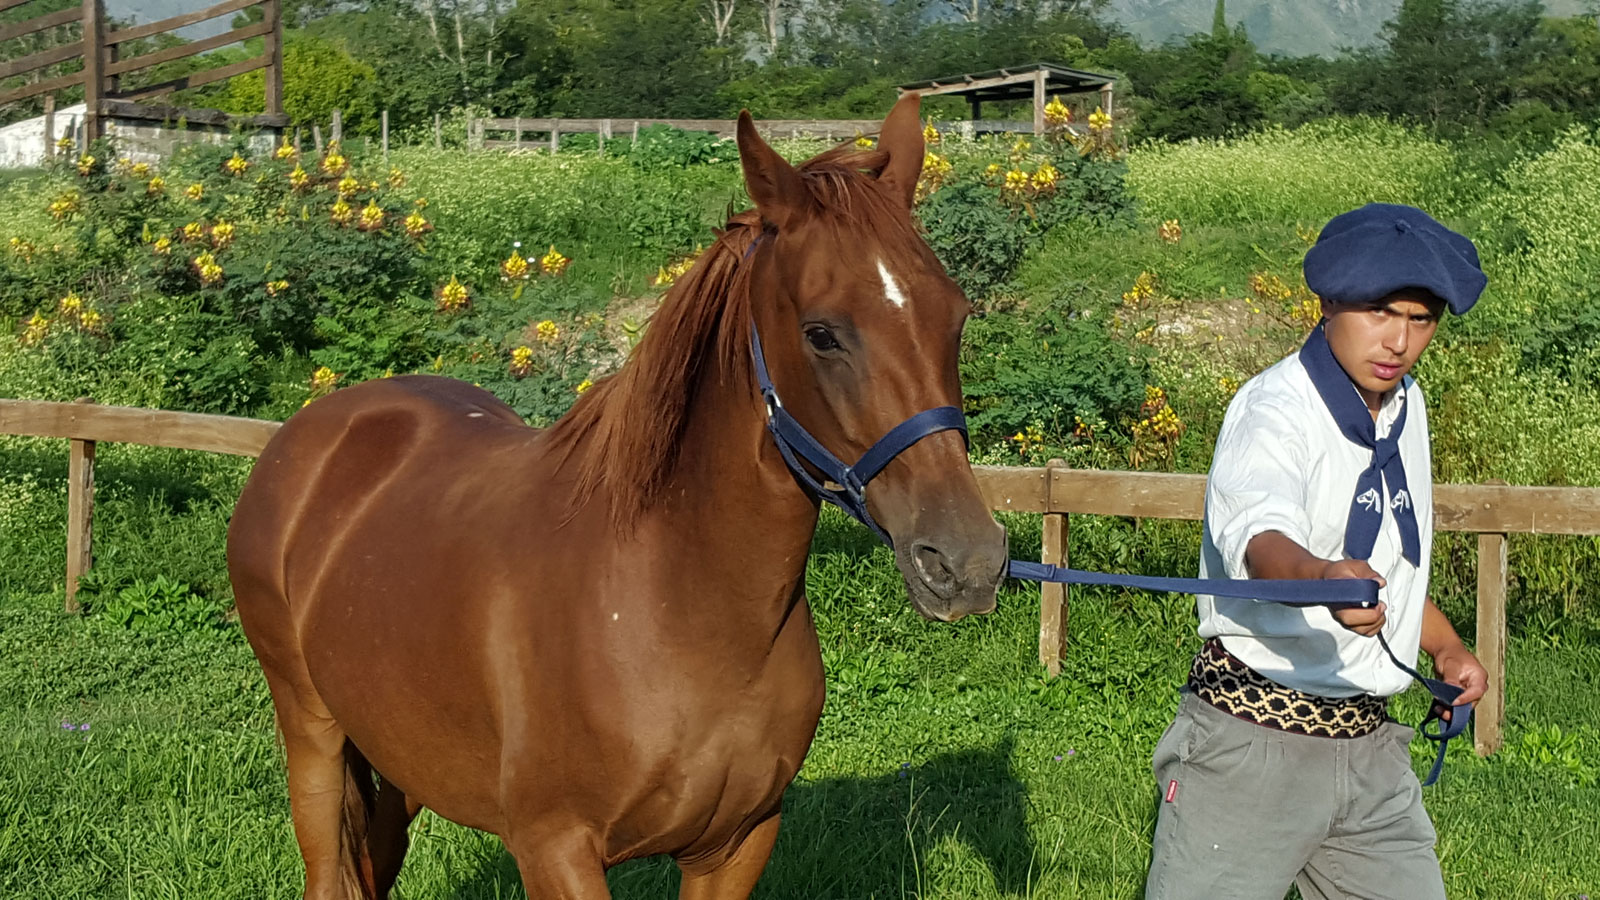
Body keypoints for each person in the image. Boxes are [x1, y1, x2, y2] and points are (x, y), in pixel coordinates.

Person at [1144, 203, 1491, 900]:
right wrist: (1320, 579)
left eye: (1420, 320)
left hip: (1371, 755)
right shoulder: (1273, 410)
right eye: (1379, 312)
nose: (1397, 340)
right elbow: (1259, 541)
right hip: (1252, 749)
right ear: (1329, 304)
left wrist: (1447, 648)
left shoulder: (1406, 407)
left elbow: (1386, 569)